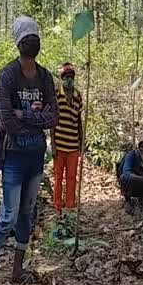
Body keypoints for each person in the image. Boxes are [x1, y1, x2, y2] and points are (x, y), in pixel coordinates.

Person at [0, 16, 58, 285]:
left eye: (34, 37)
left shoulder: (46, 76)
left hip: (36, 155)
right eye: (26, 39)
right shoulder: (7, 75)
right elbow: (7, 120)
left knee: (28, 211)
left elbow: (53, 118)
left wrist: (23, 115)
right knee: (9, 214)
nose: (31, 42)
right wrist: (34, 119)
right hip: (14, 155)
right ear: (18, 44)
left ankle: (17, 269)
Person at [51, 63, 83, 212]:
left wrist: (81, 142)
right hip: (59, 144)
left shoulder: (78, 96)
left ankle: (70, 204)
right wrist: (53, 145)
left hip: (73, 146)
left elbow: (79, 121)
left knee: (71, 177)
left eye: (71, 77)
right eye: (66, 77)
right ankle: (57, 204)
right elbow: (52, 121)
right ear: (62, 78)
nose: (69, 80)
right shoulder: (57, 94)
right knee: (58, 176)